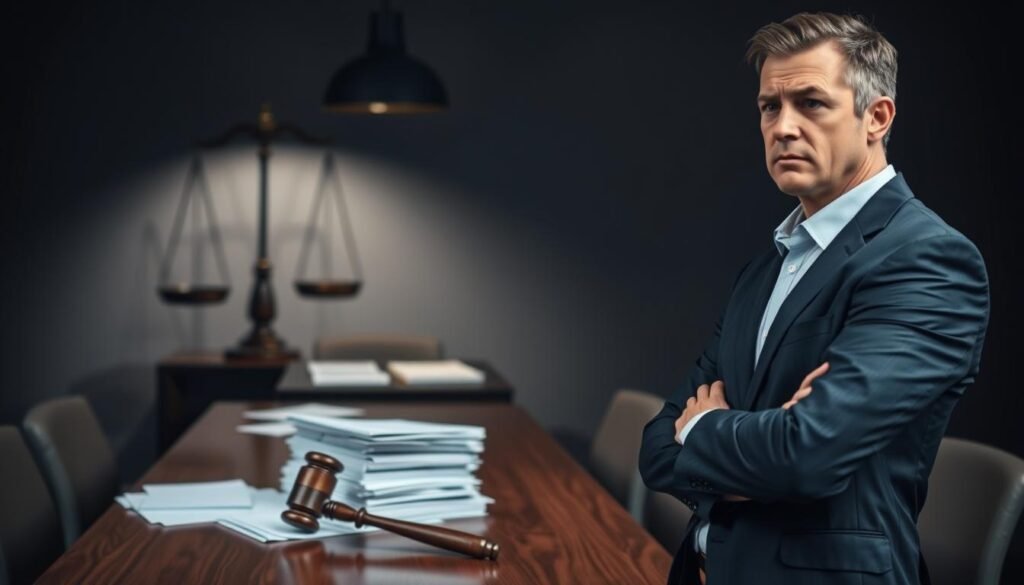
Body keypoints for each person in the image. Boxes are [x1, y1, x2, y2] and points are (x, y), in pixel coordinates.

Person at [638, 12, 990, 585]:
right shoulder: (764, 269)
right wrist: (762, 438)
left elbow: (806, 454)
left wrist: (703, 430)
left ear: (876, 117)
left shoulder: (928, 260)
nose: (783, 127)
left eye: (812, 103)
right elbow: (656, 447)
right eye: (769, 107)